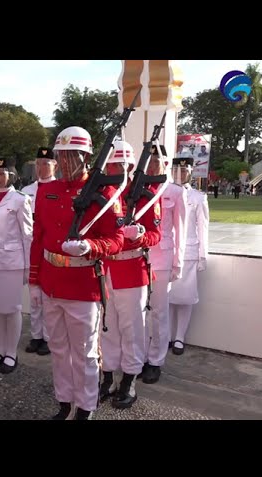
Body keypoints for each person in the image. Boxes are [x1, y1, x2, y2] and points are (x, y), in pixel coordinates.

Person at [29, 126, 124, 420]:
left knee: (84, 353)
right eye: (62, 156)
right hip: (51, 283)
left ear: (85, 158)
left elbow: (117, 240)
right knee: (58, 348)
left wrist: (90, 247)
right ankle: (64, 401)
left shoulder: (104, 193)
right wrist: (34, 280)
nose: (66, 162)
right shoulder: (47, 190)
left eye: (72, 157)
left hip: (83, 286)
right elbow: (39, 236)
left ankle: (85, 407)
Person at [99, 140, 162, 409]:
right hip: (105, 269)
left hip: (132, 271)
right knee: (107, 328)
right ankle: (108, 378)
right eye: (113, 165)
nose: (117, 170)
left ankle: (129, 381)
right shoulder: (102, 195)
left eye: (122, 165)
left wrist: (138, 238)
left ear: (132, 167)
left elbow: (155, 235)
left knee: (132, 330)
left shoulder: (145, 196)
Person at [0, 156, 33, 374]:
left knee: (12, 309)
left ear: (11, 176)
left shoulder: (20, 199)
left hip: (12, 262)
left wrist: (29, 267)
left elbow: (27, 234)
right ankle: (0, 349)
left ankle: (12, 352)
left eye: (1, 174)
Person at [142, 145, 187, 384]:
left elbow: (181, 230)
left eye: (155, 161)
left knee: (158, 312)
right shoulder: (138, 190)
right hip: (140, 258)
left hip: (162, 259)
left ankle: (156, 360)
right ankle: (140, 357)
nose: (151, 165)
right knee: (141, 312)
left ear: (165, 164)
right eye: (148, 161)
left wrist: (177, 263)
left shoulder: (175, 192)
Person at [169, 158, 209, 355]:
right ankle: (166, 335)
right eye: (177, 169)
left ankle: (179, 337)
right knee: (165, 299)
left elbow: (203, 228)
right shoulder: (165, 193)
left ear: (191, 172)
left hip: (189, 253)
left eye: (184, 169)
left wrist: (203, 256)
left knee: (185, 298)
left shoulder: (198, 197)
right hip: (167, 252)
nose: (181, 173)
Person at [20, 147, 56, 356]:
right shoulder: (27, 191)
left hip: (49, 246)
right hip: (31, 245)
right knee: (34, 295)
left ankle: (49, 338)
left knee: (48, 296)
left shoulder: (57, 189)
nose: (41, 168)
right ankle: (36, 335)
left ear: (55, 166)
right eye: (39, 164)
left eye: (46, 163)